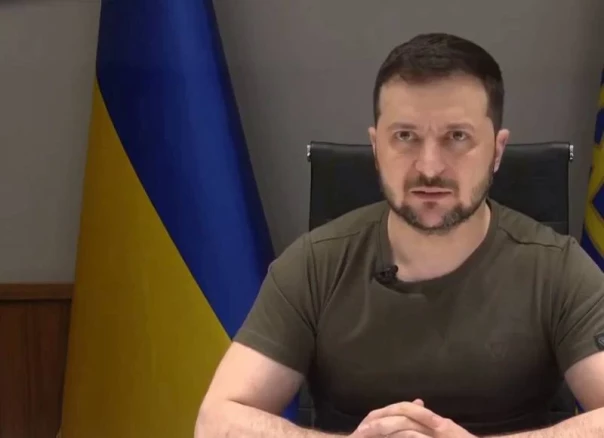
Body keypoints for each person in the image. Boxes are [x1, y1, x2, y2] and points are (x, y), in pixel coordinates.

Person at [194, 33, 604, 438]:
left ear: (497, 151)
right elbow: (215, 422)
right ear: (376, 147)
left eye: (457, 137)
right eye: (405, 136)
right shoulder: (314, 265)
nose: (429, 167)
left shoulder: (558, 269)